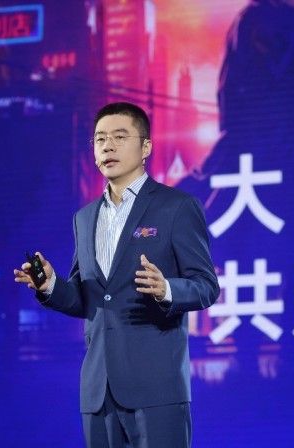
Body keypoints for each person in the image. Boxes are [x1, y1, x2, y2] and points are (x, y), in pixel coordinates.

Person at [14, 102, 219, 448]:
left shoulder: (176, 207)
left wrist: (167, 289)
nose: (107, 146)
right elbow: (87, 298)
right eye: (100, 139)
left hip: (157, 388)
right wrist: (50, 285)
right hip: (99, 392)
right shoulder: (84, 218)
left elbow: (206, 285)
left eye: (120, 137)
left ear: (146, 147)